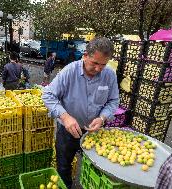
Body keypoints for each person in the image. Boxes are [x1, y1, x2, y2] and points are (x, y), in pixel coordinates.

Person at [42, 37, 119, 189]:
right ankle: (66, 186)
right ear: (85, 55)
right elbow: (48, 95)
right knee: (64, 165)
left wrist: (102, 118)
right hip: (68, 130)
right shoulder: (69, 71)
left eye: (102, 65)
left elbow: (113, 101)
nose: (98, 69)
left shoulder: (109, 75)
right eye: (95, 63)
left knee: (96, 166)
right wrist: (65, 116)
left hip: (95, 132)